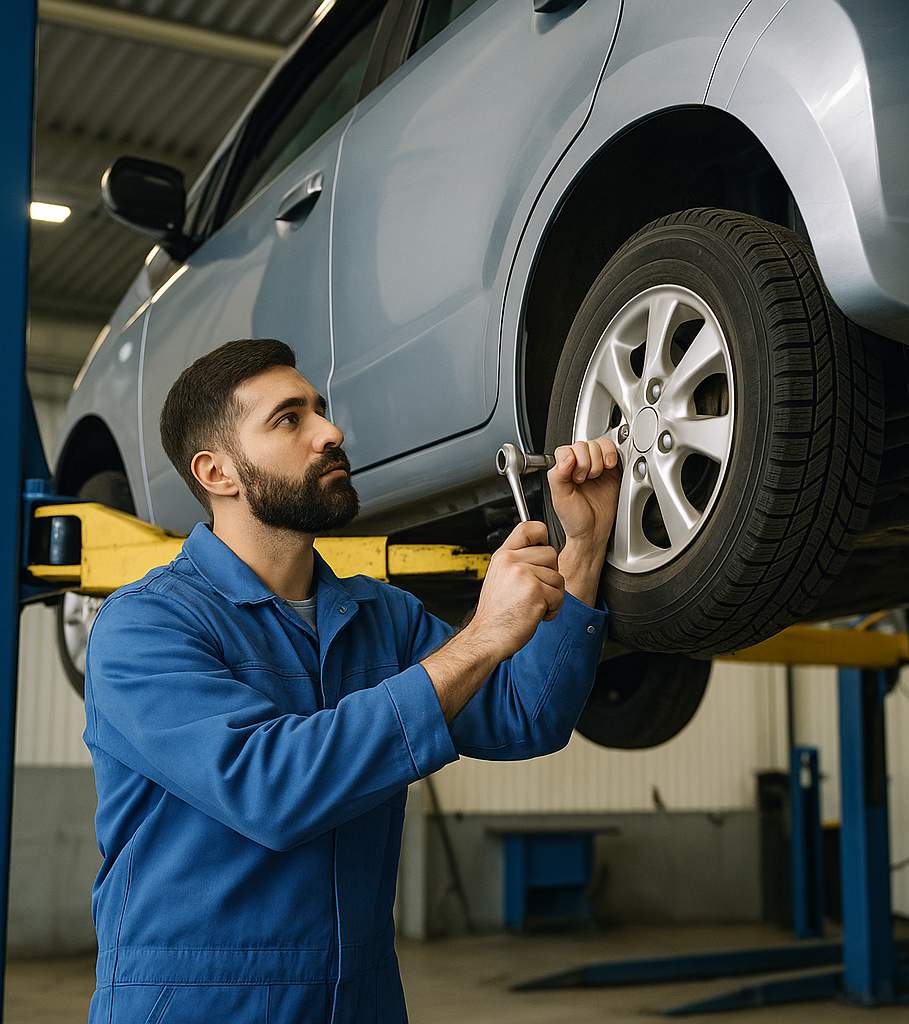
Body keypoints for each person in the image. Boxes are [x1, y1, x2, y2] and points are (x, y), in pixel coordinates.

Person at [83, 338, 620, 1024]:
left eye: (321, 410)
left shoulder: (377, 615)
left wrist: (586, 545)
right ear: (218, 471)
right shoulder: (145, 627)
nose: (331, 432)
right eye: (289, 419)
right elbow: (270, 788)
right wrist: (483, 636)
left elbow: (525, 715)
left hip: (356, 998)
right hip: (199, 1005)